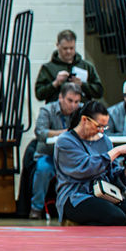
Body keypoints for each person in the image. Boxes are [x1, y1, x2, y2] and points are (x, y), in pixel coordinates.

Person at [53, 100, 126, 225]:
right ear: (84, 120)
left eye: (104, 127)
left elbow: (113, 175)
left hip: (104, 193)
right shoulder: (65, 141)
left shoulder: (105, 141)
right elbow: (85, 169)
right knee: (116, 217)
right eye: (99, 126)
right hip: (76, 196)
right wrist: (116, 151)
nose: (102, 131)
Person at [31, 82, 83, 219]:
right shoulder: (47, 110)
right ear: (61, 97)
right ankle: (36, 208)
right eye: (70, 100)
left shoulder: (82, 111)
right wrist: (65, 133)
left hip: (72, 157)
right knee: (43, 170)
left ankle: (80, 207)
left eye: (77, 102)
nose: (73, 105)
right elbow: (40, 132)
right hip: (49, 154)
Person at [35, 29, 104, 103]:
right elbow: (39, 94)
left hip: (82, 109)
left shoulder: (86, 66)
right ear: (58, 45)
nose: (68, 51)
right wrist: (55, 83)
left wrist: (82, 85)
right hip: (57, 110)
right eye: (65, 48)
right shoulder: (48, 68)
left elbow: (99, 92)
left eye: (72, 48)